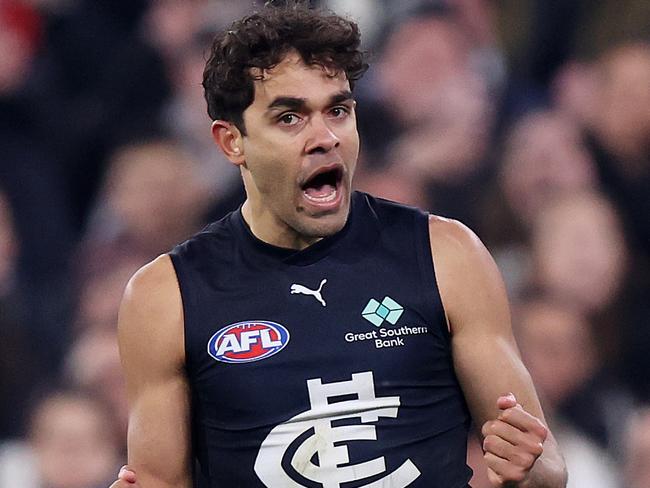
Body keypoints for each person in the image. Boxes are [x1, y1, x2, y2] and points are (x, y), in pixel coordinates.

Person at [109, 2, 566, 487]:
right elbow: (160, 479)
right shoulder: (166, 297)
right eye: (290, 118)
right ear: (231, 142)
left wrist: (529, 470)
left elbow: (547, 467)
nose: (324, 137)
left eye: (338, 110)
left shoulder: (446, 254)